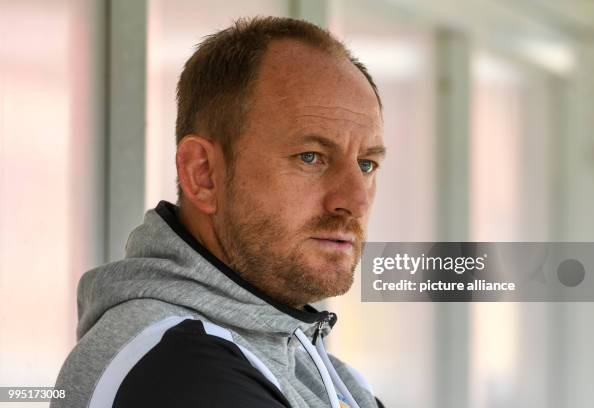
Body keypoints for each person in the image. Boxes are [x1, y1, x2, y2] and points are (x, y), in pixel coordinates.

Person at [52, 16, 386, 408]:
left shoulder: (314, 364)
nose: (354, 200)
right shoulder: (179, 369)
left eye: (365, 164)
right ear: (204, 174)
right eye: (310, 157)